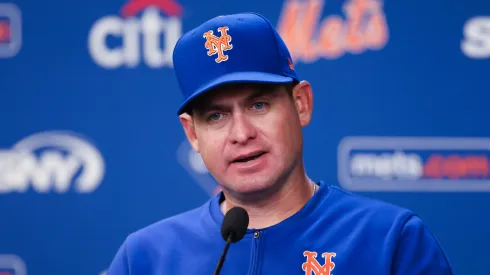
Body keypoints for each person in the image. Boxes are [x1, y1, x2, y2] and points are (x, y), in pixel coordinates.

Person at [106, 12, 454, 275]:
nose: (241, 134)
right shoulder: (146, 257)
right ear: (193, 134)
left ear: (301, 103)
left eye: (259, 105)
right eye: (216, 116)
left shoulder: (390, 240)